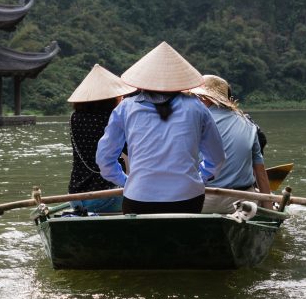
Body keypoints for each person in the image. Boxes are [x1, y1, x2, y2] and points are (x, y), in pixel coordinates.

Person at [95, 41, 225, 214]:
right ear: (178, 79)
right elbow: (217, 158)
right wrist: (200, 177)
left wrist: (128, 182)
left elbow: (104, 159)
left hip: (139, 198)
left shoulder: (125, 107)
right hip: (188, 197)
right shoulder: (196, 106)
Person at [190, 75, 271, 212]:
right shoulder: (249, 124)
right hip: (244, 201)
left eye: (196, 97)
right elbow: (260, 173)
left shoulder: (194, 121)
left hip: (203, 200)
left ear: (205, 98)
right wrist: (269, 208)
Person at [67, 64, 136, 214]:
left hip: (75, 195)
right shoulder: (112, 118)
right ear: (111, 97)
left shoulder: (74, 118)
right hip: (104, 195)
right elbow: (132, 151)